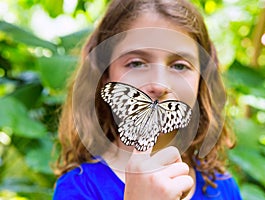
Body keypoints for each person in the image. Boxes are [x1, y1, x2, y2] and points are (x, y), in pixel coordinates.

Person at [53, 0, 242, 199]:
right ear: (104, 75)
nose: (159, 85)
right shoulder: (80, 188)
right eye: (136, 63)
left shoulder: (222, 186)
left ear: (201, 80)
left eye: (179, 66)